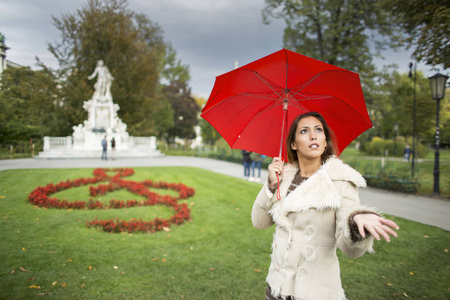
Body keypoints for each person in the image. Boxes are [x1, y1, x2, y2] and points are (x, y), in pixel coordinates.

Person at [251, 111, 399, 300]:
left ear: (324, 139)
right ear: (293, 144)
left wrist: (355, 220)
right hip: (277, 288)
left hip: (313, 292)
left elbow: (351, 249)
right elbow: (259, 222)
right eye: (304, 131)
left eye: (318, 130)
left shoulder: (340, 180)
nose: (313, 135)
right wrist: (271, 185)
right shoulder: (284, 177)